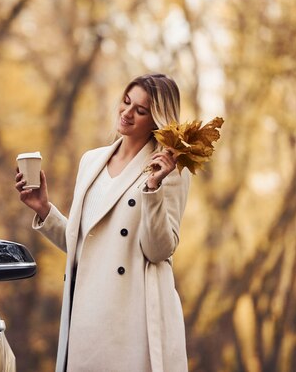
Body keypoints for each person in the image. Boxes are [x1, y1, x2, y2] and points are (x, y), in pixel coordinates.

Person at [15, 73, 191, 372]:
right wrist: (44, 209)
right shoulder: (91, 161)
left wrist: (152, 189)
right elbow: (87, 244)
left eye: (141, 110)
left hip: (133, 317)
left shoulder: (170, 170)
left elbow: (159, 250)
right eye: (126, 102)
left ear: (157, 120)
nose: (127, 113)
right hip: (87, 312)